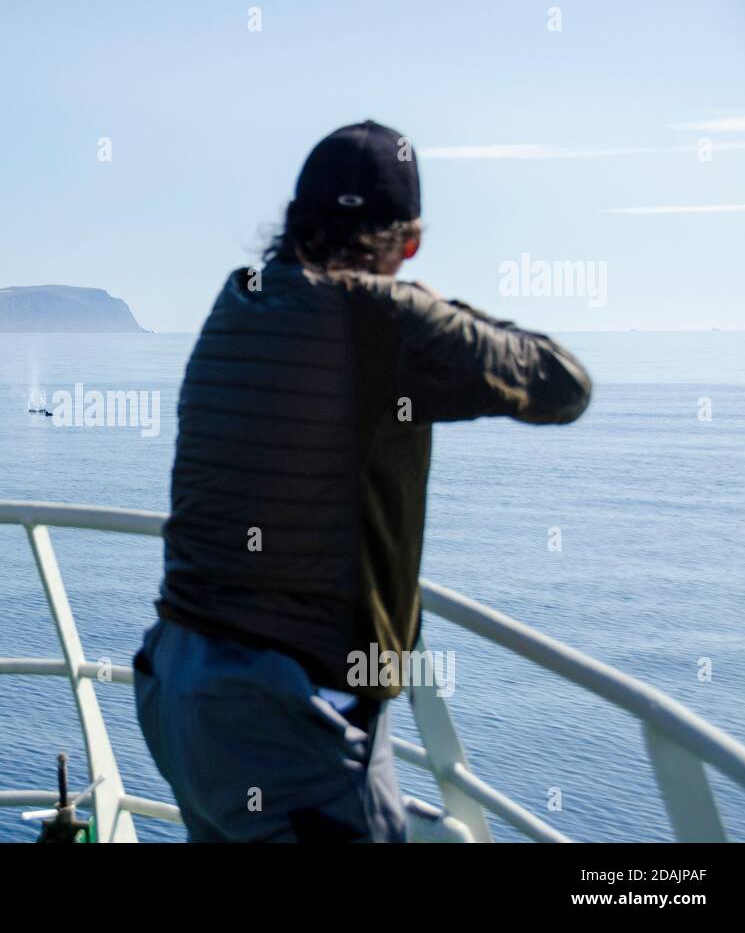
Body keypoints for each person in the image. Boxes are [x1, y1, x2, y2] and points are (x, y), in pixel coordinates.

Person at [133, 120, 592, 842]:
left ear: (292, 222)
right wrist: (431, 308)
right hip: (289, 723)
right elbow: (564, 384)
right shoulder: (381, 321)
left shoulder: (239, 300)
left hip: (178, 686)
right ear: (408, 243)